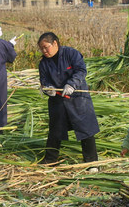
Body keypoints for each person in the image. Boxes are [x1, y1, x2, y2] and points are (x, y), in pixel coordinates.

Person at [37, 32, 99, 170]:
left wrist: (72, 84)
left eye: (46, 47)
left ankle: (92, 163)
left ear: (55, 43)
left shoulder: (71, 54)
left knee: (85, 130)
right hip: (57, 101)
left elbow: (81, 70)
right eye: (41, 49)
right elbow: (44, 80)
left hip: (77, 99)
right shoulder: (43, 63)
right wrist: (48, 89)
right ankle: (50, 160)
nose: (44, 51)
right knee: (55, 131)